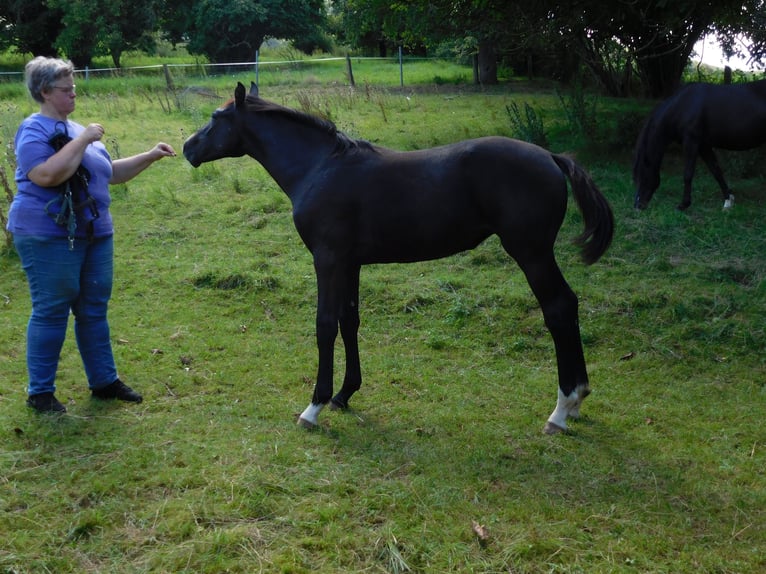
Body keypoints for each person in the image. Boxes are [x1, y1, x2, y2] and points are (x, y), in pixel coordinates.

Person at [7, 56, 177, 413]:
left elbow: (109, 174)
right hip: (47, 234)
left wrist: (150, 156)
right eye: (66, 90)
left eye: (74, 89)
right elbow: (45, 175)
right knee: (52, 309)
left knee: (94, 309)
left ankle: (104, 381)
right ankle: (40, 393)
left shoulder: (76, 130)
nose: (74, 95)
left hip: (95, 233)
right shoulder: (34, 130)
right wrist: (84, 137)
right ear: (44, 92)